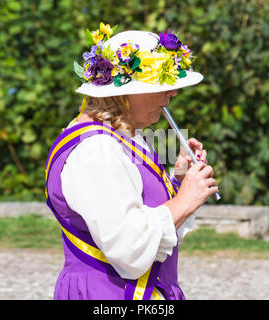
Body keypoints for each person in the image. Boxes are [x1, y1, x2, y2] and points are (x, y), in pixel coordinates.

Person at [45, 23, 219, 300]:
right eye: (161, 86)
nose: (172, 94)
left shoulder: (125, 137)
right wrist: (184, 200)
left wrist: (178, 184)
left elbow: (143, 212)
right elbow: (129, 247)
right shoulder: (94, 150)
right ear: (123, 94)